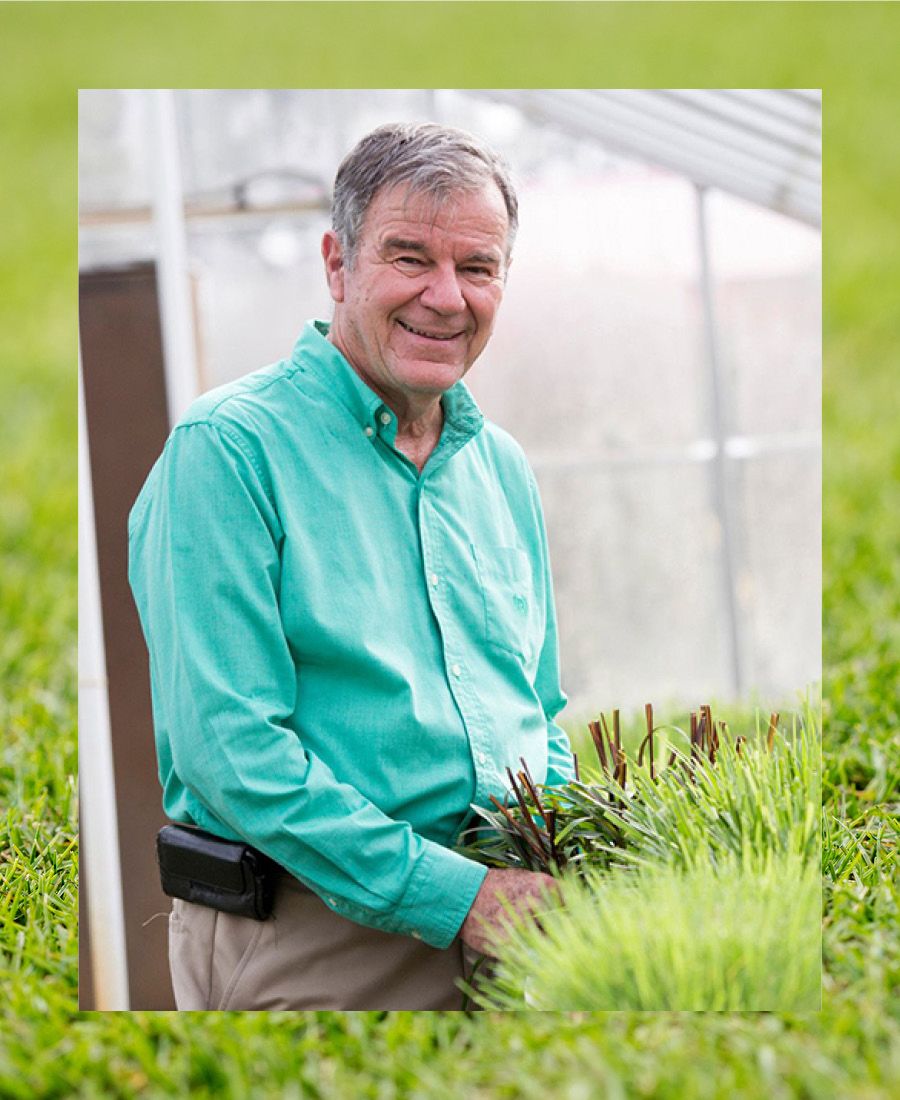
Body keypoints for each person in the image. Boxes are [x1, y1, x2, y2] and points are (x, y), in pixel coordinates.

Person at [128, 121, 575, 1011]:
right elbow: (233, 753)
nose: (446, 297)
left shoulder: (502, 470)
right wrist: (457, 899)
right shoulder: (229, 452)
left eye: (478, 268)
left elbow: (539, 709)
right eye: (409, 258)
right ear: (337, 264)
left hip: (511, 935)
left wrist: (562, 854)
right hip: (314, 945)